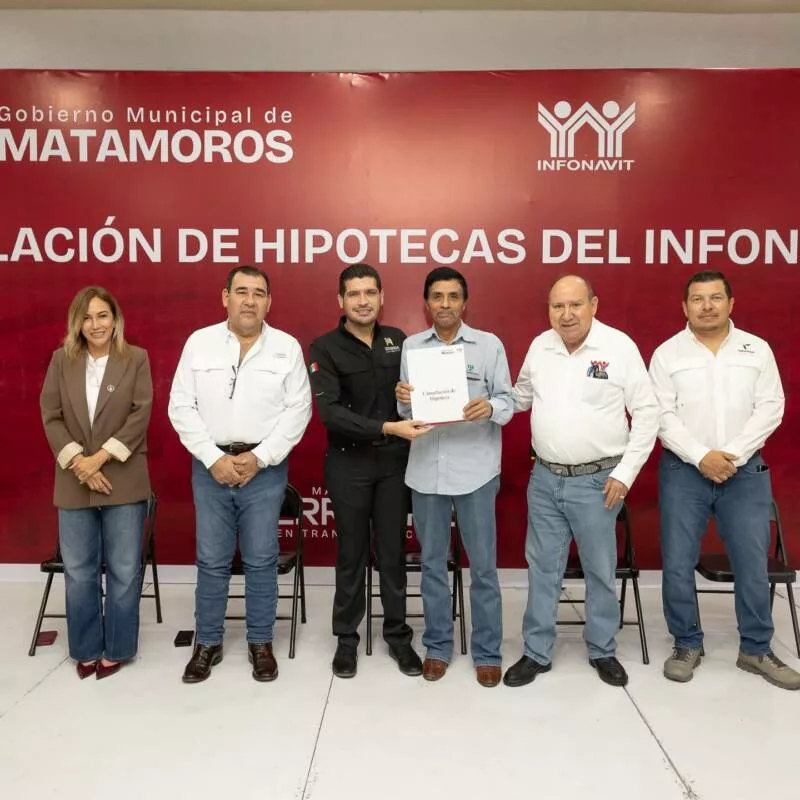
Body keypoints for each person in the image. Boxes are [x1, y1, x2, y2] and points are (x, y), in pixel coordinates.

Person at [503, 275, 659, 689]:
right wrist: (483, 400)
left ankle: (602, 649)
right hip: (545, 478)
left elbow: (648, 413)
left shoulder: (618, 347)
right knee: (542, 569)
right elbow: (520, 396)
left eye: (575, 305)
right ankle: (537, 652)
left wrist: (624, 474)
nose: (566, 314)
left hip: (598, 482)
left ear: (594, 304)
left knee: (600, 569)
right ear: (549, 310)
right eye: (558, 306)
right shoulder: (541, 346)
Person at [649, 270, 800, 690]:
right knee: (677, 563)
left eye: (715, 297)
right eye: (697, 299)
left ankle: (756, 648)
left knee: (752, 563)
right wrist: (702, 457)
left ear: (731, 303)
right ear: (685, 307)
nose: (707, 306)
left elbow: (771, 407)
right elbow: (660, 415)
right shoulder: (667, 354)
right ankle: (686, 643)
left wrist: (731, 454)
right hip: (684, 470)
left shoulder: (757, 349)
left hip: (744, 471)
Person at [168, 265, 311, 684]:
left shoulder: (286, 347)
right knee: (212, 559)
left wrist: (260, 457)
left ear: (269, 301)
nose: (250, 300)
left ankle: (260, 643)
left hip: (263, 470)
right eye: (242, 291)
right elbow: (181, 406)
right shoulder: (199, 343)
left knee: (261, 560)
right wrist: (213, 458)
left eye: (259, 293)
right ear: (225, 296)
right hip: (209, 466)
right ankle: (207, 643)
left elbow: (299, 410)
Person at [309, 264, 430, 679]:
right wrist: (388, 427)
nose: (363, 301)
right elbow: (330, 413)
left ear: (382, 298)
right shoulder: (324, 348)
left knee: (393, 553)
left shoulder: (399, 340)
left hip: (394, 463)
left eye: (370, 293)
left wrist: (410, 399)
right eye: (354, 294)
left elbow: (414, 398)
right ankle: (347, 638)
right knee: (351, 553)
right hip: (349, 463)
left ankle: (397, 636)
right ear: (340, 300)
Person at [396, 267, 513, 687]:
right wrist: (403, 399)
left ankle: (487, 652)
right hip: (426, 470)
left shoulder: (488, 345)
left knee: (483, 567)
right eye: (437, 297)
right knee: (431, 565)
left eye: (453, 296)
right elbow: (407, 414)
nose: (445, 304)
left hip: (475, 470)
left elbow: (508, 401)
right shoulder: (412, 347)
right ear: (427, 303)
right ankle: (437, 647)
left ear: (465, 302)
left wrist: (491, 407)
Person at [40, 286, 153, 680]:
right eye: (86, 317)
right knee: (79, 571)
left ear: (115, 319)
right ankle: (86, 648)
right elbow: (50, 415)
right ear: (77, 323)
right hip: (74, 479)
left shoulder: (136, 358)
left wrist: (99, 459)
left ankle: (118, 648)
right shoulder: (61, 360)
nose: (95, 324)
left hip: (123, 476)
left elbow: (140, 414)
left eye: (102, 315)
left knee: (123, 570)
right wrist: (79, 463)